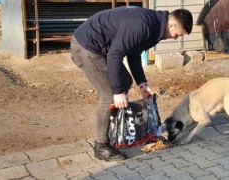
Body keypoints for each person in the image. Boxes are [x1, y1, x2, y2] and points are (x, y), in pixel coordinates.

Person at [71, 6, 193, 161]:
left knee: (125, 81)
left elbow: (133, 54)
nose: (176, 38)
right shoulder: (144, 25)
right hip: (87, 47)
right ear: (172, 25)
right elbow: (115, 54)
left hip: (102, 49)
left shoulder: (154, 28)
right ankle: (101, 145)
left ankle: (113, 132)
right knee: (109, 95)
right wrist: (117, 92)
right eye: (178, 34)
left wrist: (142, 83)